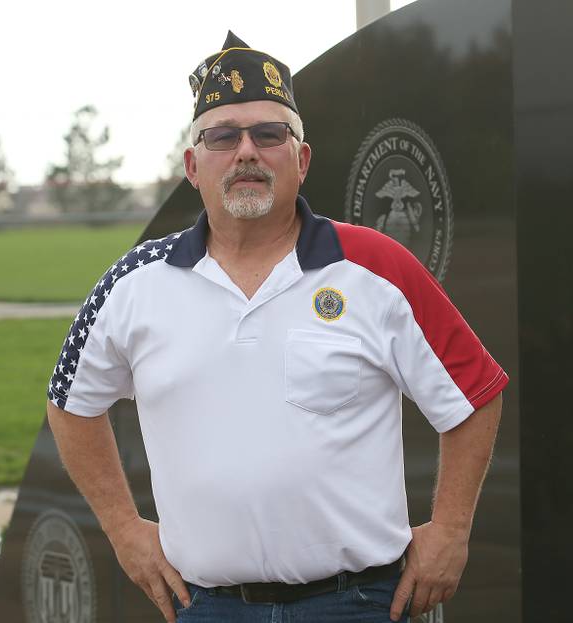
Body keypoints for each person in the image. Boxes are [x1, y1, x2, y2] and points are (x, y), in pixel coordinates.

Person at [46, 31, 507, 623]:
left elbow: (474, 393)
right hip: (208, 605)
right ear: (192, 164)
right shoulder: (134, 282)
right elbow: (69, 400)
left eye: (269, 134)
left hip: (359, 603)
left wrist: (450, 531)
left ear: (301, 158)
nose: (246, 152)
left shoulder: (373, 265)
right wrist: (124, 529)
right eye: (222, 136)